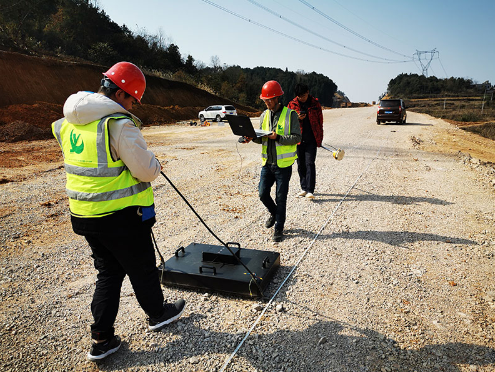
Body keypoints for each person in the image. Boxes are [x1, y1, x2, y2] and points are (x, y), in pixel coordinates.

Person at [52, 62, 185, 361]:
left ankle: (101, 339)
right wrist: (156, 163)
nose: (134, 105)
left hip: (84, 214)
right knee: (142, 268)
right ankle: (158, 314)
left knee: (109, 272)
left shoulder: (66, 123)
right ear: (122, 94)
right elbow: (145, 170)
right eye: (134, 100)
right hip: (120, 215)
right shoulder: (118, 125)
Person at [240, 80, 301, 242]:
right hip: (267, 164)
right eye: (265, 100)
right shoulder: (263, 115)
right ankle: (274, 213)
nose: (267, 103)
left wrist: (278, 137)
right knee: (262, 194)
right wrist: (251, 138)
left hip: (283, 166)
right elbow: (262, 139)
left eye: (269, 100)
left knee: (281, 197)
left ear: (277, 98)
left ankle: (279, 228)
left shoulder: (291, 115)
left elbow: (297, 137)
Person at [287, 83, 324, 199]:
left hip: (311, 138)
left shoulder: (315, 103)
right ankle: (303, 188)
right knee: (300, 164)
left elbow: (320, 121)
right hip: (298, 139)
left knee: (310, 163)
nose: (301, 98)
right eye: (299, 96)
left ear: (308, 92)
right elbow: (287, 121)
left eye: (303, 95)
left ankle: (310, 190)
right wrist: (297, 118)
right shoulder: (292, 104)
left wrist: (320, 138)